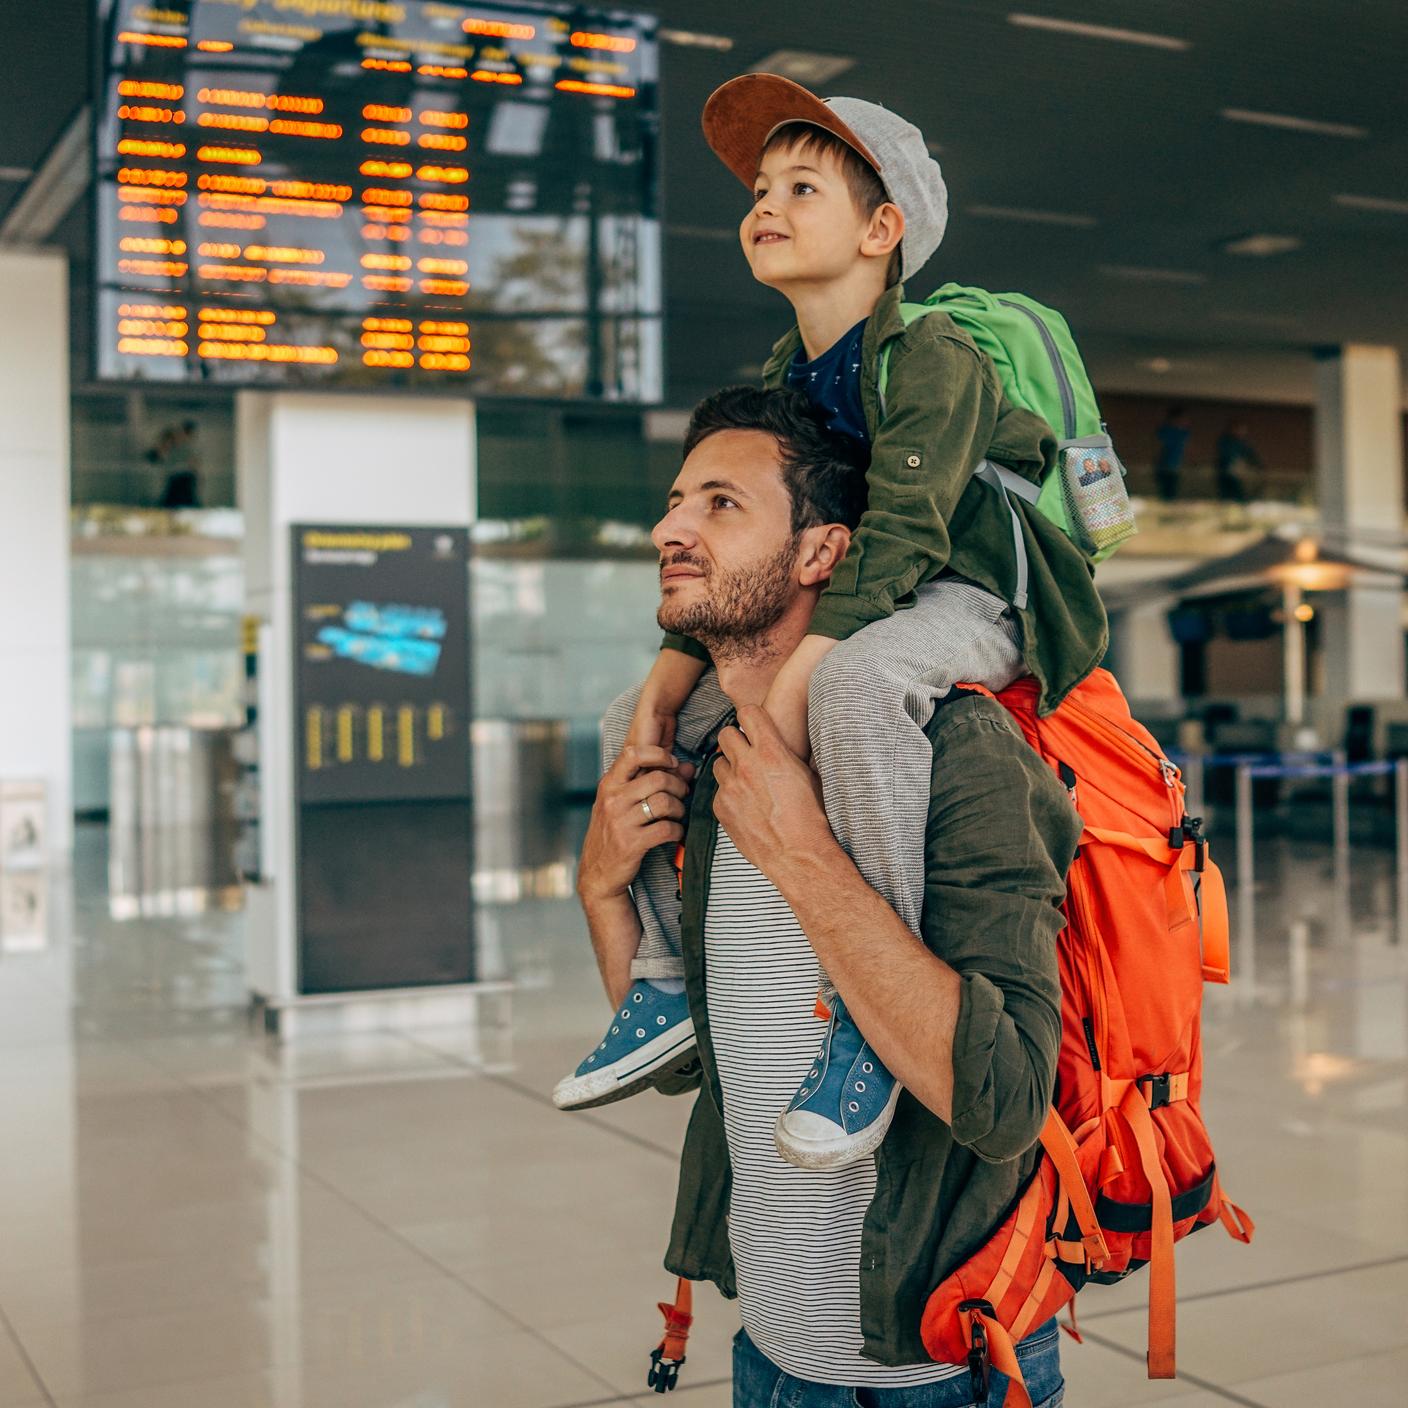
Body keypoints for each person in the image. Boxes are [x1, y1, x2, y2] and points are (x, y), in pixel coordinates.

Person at [554, 75, 1106, 1171]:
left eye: (802, 185)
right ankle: (662, 984)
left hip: (978, 593)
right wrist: (661, 699)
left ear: (881, 229)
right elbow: (781, 545)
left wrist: (795, 678)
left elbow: (895, 536)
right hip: (878, 599)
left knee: (853, 686)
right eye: (761, 187)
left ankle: (867, 1005)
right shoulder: (786, 375)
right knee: (634, 704)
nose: (765, 203)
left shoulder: (933, 358)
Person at [575, 387, 1079, 1405]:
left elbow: (1005, 1098)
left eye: (721, 504)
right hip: (767, 1359)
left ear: (821, 553)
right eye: (676, 502)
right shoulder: (710, 758)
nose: (669, 528)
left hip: (944, 1375)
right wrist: (600, 892)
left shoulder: (956, 753)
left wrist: (804, 853)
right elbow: (700, 1071)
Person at [1215, 419, 1262, 503]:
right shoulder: (1226, 442)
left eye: (1244, 430)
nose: (1243, 432)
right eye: (1241, 429)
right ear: (1234, 429)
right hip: (1227, 474)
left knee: (1239, 496)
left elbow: (1251, 455)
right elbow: (1225, 458)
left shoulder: (1242, 443)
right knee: (1229, 496)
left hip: (1237, 475)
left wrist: (1257, 465)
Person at [1153, 405, 1191, 502]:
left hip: (1175, 468)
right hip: (1164, 468)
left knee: (1172, 492)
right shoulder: (1165, 432)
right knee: (1166, 493)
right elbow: (1157, 447)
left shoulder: (1183, 433)